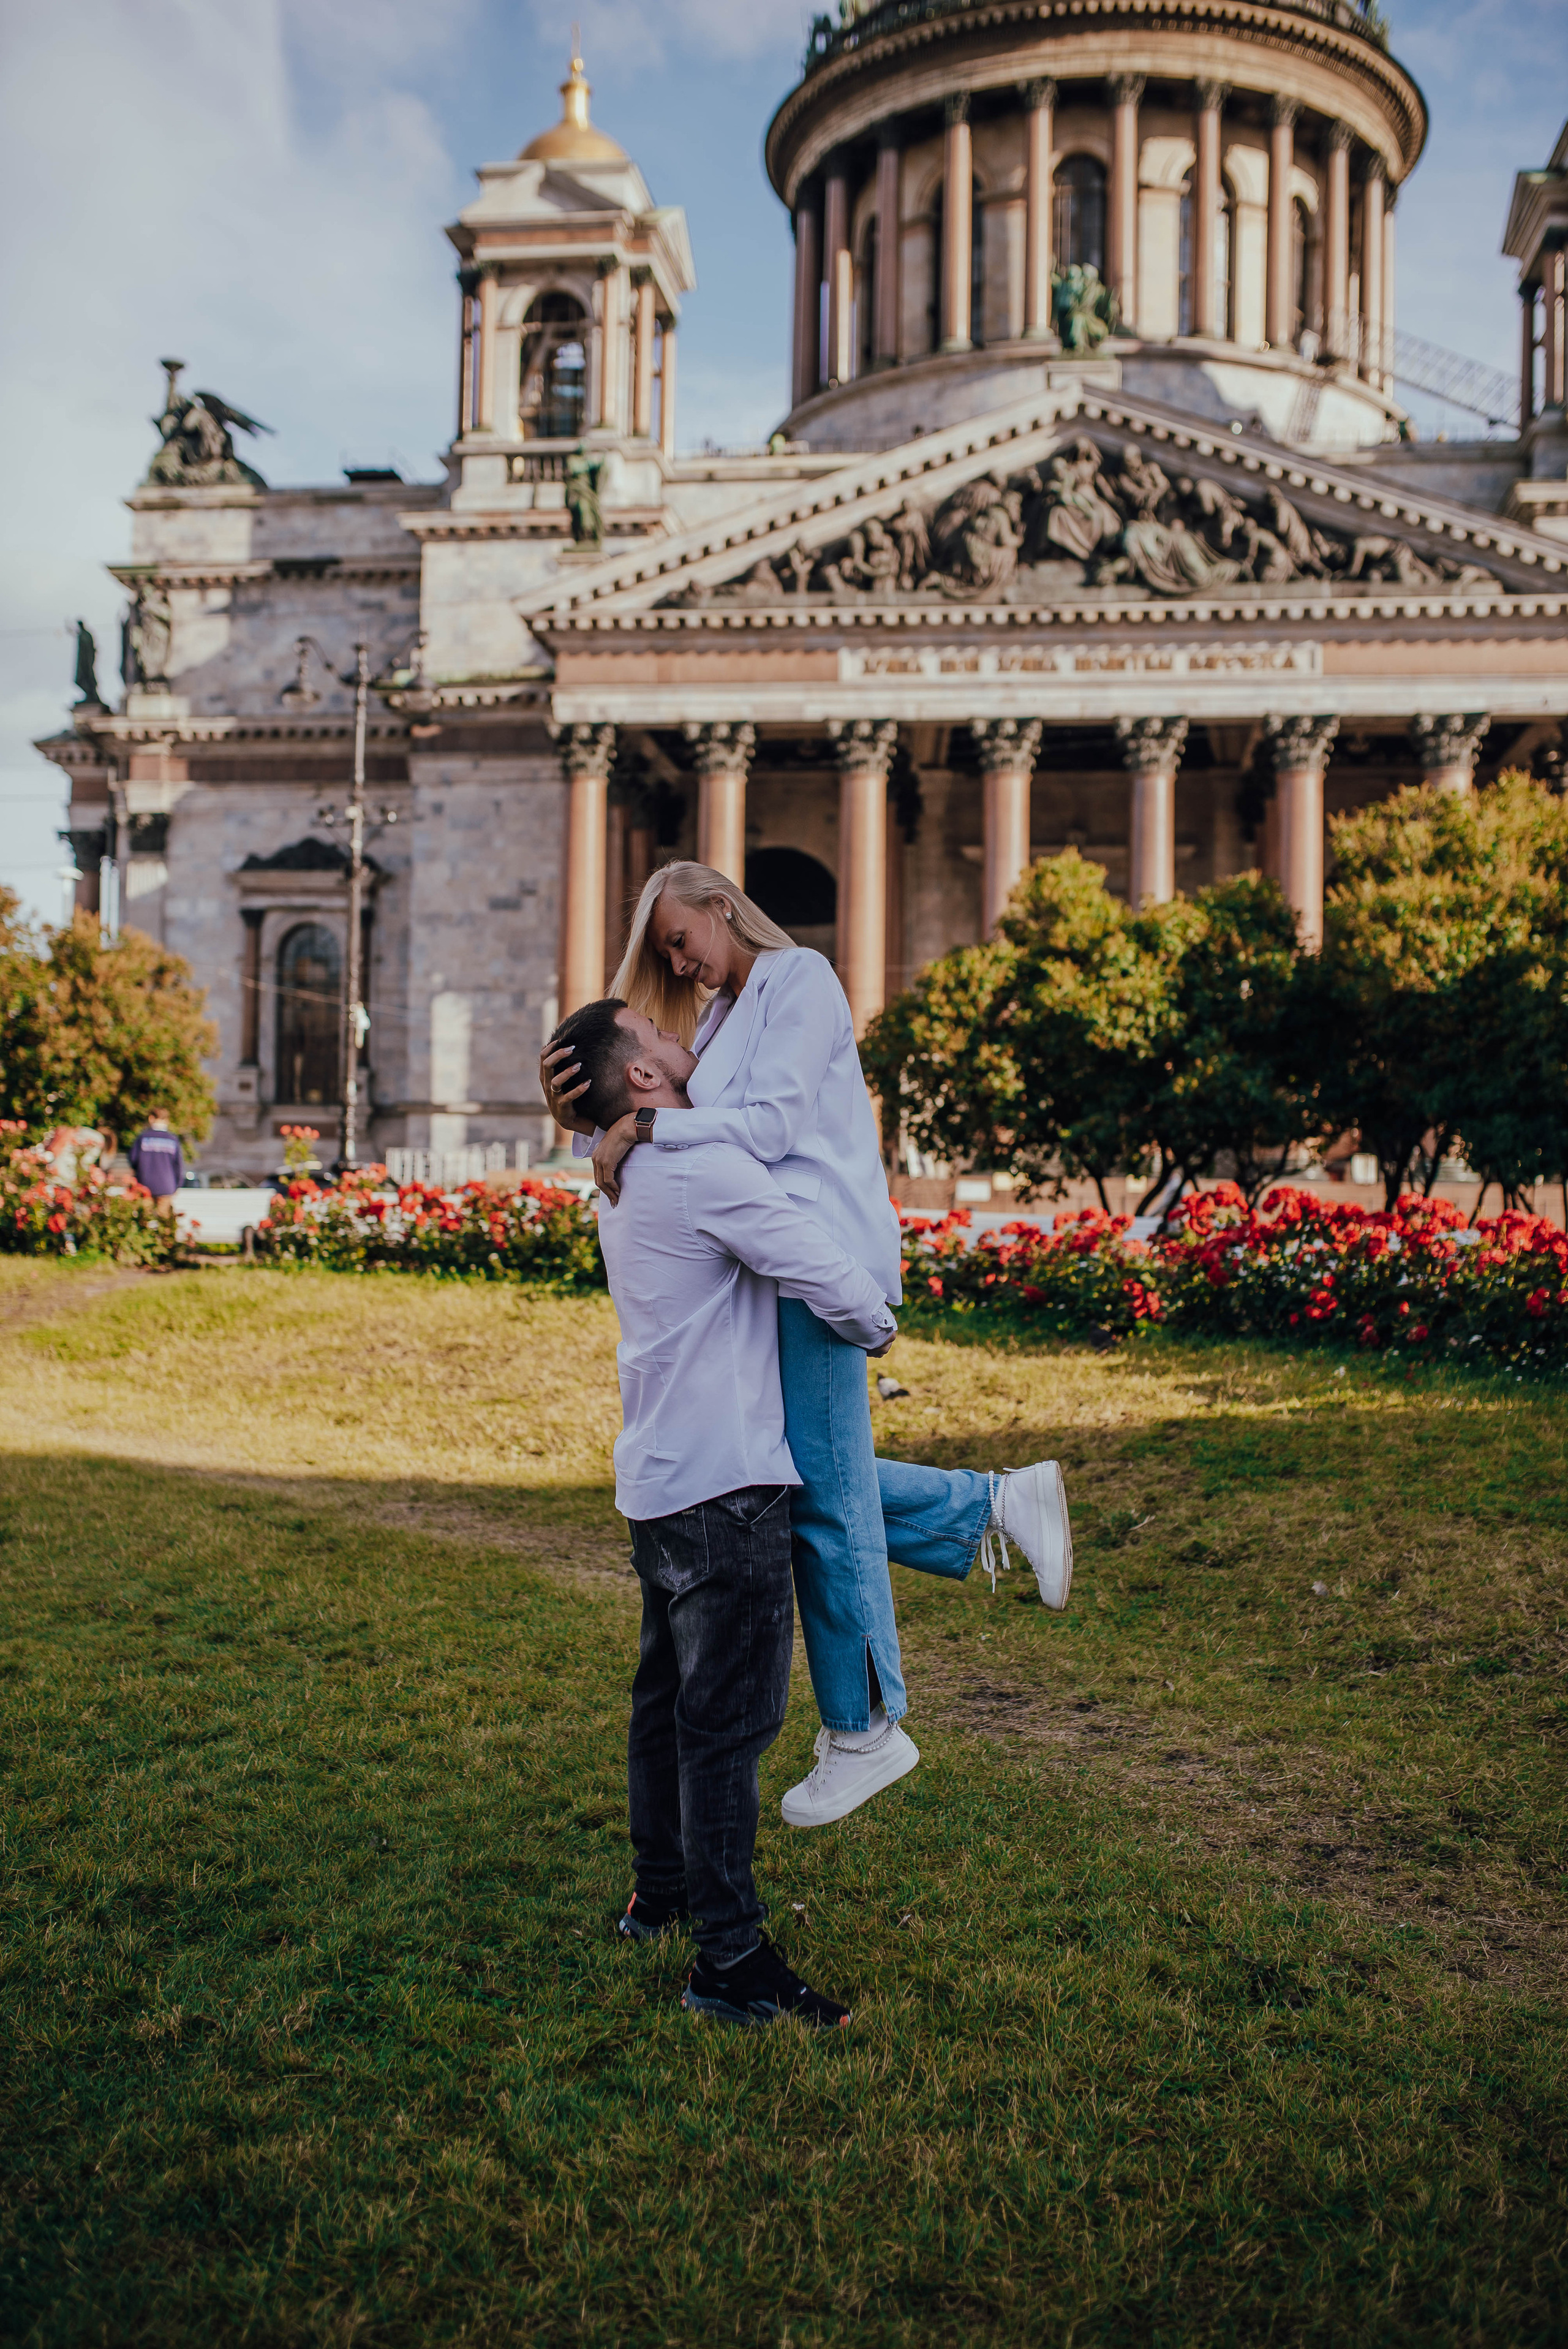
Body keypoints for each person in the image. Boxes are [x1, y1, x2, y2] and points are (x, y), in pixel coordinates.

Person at [542, 861, 1073, 1829]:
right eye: (663, 952)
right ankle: (994, 1502)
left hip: (818, 1258)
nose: (677, 962)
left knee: (822, 1500)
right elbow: (681, 1134)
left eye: (677, 937)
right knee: (810, 1485)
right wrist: (589, 1122)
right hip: (780, 1267)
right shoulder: (717, 1023)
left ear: (719, 904)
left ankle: (868, 1728)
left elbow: (762, 1128)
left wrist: (642, 1119)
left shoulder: (801, 978)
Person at [550, 994, 897, 2027]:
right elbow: (833, 1277)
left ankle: (657, 1894)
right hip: (728, 1487)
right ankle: (730, 1961)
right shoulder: (700, 1168)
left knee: (664, 1700)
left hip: (658, 1477)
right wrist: (878, 1322)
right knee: (725, 1727)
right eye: (661, 1035)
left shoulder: (616, 1167)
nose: (683, 1036)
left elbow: (616, 1102)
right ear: (647, 1080)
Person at [128, 1111, 184, 1209]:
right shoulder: (172, 1139)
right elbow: (178, 1165)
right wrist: (177, 1185)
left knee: (146, 1219)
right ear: (167, 1120)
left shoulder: (143, 1138)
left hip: (145, 1185)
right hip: (167, 1186)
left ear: (151, 1118)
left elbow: (133, 1159)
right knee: (163, 1220)